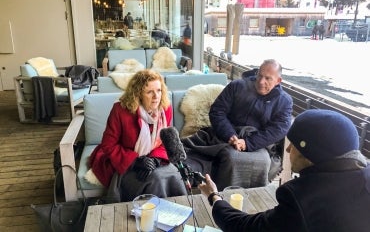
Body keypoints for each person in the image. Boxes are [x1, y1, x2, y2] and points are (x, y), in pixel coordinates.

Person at [198, 109, 370, 232]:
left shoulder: (303, 198)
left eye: (292, 146)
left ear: (309, 155)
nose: (287, 151)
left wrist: (214, 197)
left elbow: (244, 227)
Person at [182, 59, 293, 190]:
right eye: (260, 75)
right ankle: (219, 195)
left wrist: (247, 143)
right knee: (228, 156)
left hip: (257, 143)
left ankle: (250, 197)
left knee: (258, 161)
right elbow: (217, 111)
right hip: (224, 137)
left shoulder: (284, 101)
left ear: (278, 81)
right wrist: (230, 135)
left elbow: (278, 130)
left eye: (268, 78)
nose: (261, 81)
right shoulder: (237, 86)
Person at [87, 70, 187, 201]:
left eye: (159, 90)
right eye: (150, 92)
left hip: (155, 159)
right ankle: (150, 215)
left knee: (175, 176)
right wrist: (135, 161)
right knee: (154, 180)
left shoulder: (165, 108)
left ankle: (176, 212)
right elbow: (108, 145)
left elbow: (165, 140)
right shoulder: (120, 110)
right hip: (125, 161)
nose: (156, 96)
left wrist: (155, 159)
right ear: (138, 94)